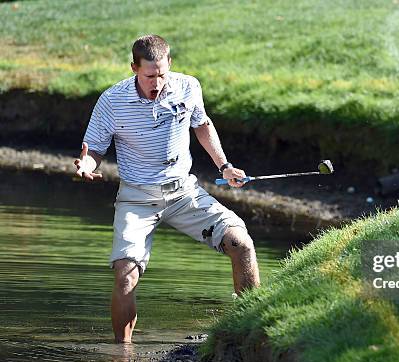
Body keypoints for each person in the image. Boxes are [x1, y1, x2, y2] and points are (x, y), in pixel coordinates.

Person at [73, 34, 260, 344]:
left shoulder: (188, 87)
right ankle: (123, 357)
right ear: (134, 68)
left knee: (241, 244)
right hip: (137, 198)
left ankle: (251, 333)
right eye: (149, 76)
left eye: (161, 73)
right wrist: (87, 166)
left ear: (169, 64)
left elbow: (202, 125)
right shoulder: (112, 100)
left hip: (184, 193)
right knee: (124, 276)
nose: (157, 82)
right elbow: (93, 148)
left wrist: (225, 167)